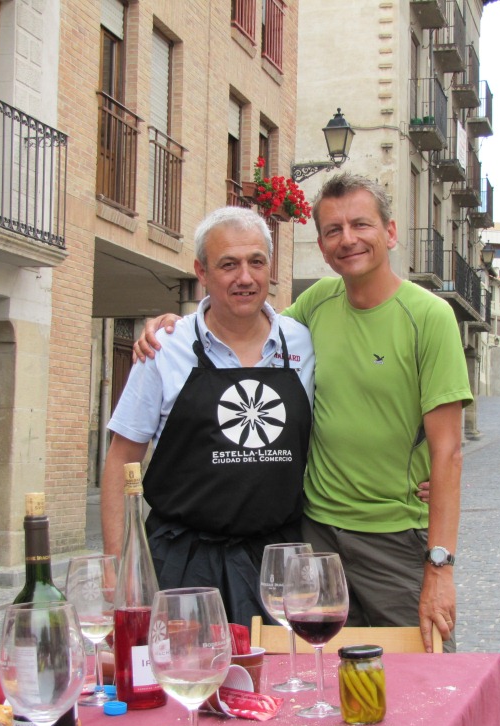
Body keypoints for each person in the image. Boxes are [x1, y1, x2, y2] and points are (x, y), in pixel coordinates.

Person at [136, 175, 471, 652]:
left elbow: (450, 450)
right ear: (322, 245)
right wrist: (174, 326)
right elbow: (244, 324)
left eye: (361, 224)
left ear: (390, 232)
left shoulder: (429, 317)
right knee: (319, 677)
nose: (348, 239)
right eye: (334, 230)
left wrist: (439, 568)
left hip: (394, 537)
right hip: (312, 539)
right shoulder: (313, 308)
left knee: (422, 673)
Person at [102, 206, 315, 628]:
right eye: (228, 264)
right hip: (182, 567)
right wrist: (119, 570)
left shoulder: (304, 341)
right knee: (184, 686)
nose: (245, 278)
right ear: (201, 271)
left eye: (256, 262)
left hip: (279, 564)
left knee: (281, 685)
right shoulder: (164, 347)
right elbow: (119, 459)